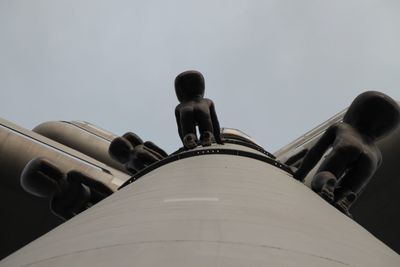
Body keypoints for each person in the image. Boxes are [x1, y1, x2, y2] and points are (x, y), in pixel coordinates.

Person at [293, 91, 400, 216]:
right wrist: (354, 195)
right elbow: (363, 185)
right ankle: (346, 198)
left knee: (326, 173)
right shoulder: (378, 154)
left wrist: (300, 173)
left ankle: (327, 182)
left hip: (347, 146)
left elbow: (316, 152)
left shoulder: (341, 127)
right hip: (370, 158)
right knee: (349, 188)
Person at [174, 70, 223, 149]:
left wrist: (184, 143)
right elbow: (215, 122)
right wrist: (218, 138)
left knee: (188, 132)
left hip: (185, 111)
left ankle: (189, 138)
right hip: (202, 109)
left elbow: (180, 128)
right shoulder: (207, 101)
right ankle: (207, 135)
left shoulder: (179, 107)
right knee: (207, 129)